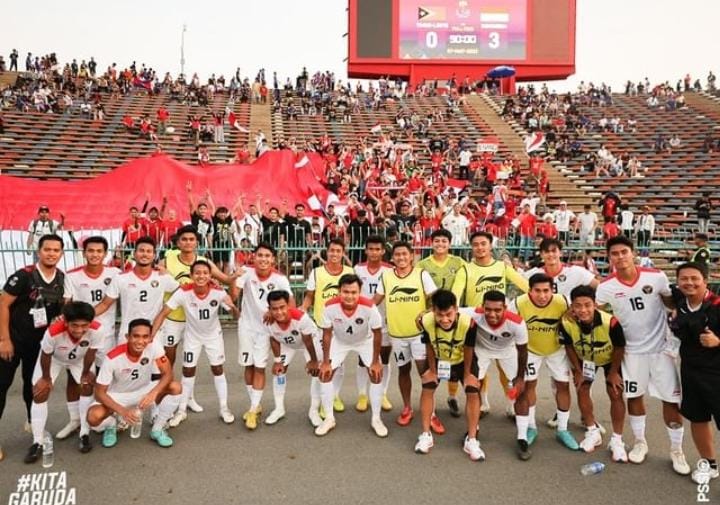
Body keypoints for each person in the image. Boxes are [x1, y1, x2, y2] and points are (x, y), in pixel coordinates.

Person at [596, 235, 690, 475]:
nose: (620, 257)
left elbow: (671, 303)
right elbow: (597, 314)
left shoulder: (655, 277)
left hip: (661, 350)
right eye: (615, 253)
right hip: (631, 352)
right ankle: (640, 442)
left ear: (633, 253)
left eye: (624, 252)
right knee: (635, 397)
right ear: (610, 258)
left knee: (671, 400)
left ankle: (676, 449)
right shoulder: (606, 288)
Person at [0, 234, 65, 462]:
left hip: (38, 344)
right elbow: (3, 304)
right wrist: (4, 340)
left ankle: (31, 422)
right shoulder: (23, 276)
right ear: (39, 251)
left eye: (56, 250)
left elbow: (58, 311)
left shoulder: (61, 279)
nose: (51, 253)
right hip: (13, 341)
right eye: (47, 249)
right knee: (1, 386)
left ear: (61, 253)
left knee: (31, 385)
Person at [152, 261, 239, 427]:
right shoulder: (183, 292)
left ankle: (224, 407)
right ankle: (181, 410)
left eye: (205, 273)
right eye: (197, 273)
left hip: (213, 336)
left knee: (218, 368)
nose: (201, 276)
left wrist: (232, 306)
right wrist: (151, 335)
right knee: (188, 370)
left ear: (210, 275)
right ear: (191, 275)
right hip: (193, 336)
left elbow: (237, 316)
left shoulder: (218, 292)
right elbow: (164, 313)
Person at [451, 231, 528, 416]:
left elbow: (526, 287)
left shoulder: (502, 267)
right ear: (472, 247)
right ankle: (483, 403)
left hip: (501, 324)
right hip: (477, 324)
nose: (480, 248)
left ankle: (511, 403)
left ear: (490, 246)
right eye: (476, 244)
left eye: (483, 244)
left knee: (505, 367)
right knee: (479, 369)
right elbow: (455, 293)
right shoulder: (466, 270)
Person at [509, 273, 579, 454]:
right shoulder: (518, 303)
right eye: (537, 291)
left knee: (563, 386)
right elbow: (508, 326)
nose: (542, 296)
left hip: (557, 350)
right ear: (530, 291)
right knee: (529, 386)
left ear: (552, 290)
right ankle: (531, 427)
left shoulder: (563, 301)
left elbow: (575, 319)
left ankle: (562, 429)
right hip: (530, 351)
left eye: (546, 291)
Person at [87, 319, 182, 448]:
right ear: (127, 337)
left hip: (144, 391)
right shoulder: (112, 358)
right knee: (93, 417)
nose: (140, 341)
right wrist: (123, 411)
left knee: (175, 387)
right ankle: (111, 425)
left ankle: (157, 429)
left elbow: (168, 373)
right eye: (136, 336)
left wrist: (154, 393)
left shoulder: (154, 347)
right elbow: (99, 393)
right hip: (118, 395)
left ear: (150, 338)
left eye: (145, 337)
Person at [24, 302, 101, 462]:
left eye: (84, 325)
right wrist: (46, 378)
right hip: (54, 360)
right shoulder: (53, 332)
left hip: (79, 360)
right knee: (40, 392)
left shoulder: (97, 329)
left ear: (90, 322)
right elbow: (46, 354)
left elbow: (91, 353)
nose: (79, 330)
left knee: (86, 387)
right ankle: (37, 441)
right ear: (65, 322)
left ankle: (84, 433)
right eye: (74, 325)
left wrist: (86, 374)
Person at [60, 236, 120, 439]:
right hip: (78, 335)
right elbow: (67, 304)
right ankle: (75, 420)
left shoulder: (115, 273)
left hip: (106, 336)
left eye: (99, 251)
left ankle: (108, 419)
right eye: (91, 250)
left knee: (106, 378)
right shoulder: (72, 276)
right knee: (74, 378)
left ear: (105, 253)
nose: (95, 254)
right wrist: (77, 324)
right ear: (84, 253)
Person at [560, 286, 628, 460]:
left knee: (615, 392)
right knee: (582, 388)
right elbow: (568, 346)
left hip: (609, 359)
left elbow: (620, 347)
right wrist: (577, 370)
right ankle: (592, 431)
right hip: (587, 360)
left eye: (587, 305)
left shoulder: (610, 322)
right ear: (572, 307)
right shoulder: (567, 322)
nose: (583, 310)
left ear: (595, 305)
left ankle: (617, 440)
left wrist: (613, 372)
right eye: (578, 306)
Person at [374, 242, 437, 428]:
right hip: (397, 335)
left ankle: (431, 413)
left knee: (424, 373)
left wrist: (427, 312)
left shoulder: (421, 275)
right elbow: (374, 301)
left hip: (419, 335)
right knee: (403, 370)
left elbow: (436, 300)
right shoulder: (386, 277)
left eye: (404, 254)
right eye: (397, 255)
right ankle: (407, 407)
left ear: (411, 256)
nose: (401, 258)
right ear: (392, 258)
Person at [462, 290, 529, 460]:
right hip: (482, 350)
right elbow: (449, 310)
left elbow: (522, 352)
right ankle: (473, 429)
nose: (492, 314)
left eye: (497, 310)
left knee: (522, 390)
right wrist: (425, 313)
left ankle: (522, 437)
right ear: (482, 307)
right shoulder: (474, 314)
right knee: (472, 387)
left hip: (508, 351)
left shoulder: (517, 323)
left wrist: (520, 378)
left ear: (505, 308)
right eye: (488, 309)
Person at [316, 274, 386, 437]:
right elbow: (326, 334)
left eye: (353, 292)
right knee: (325, 374)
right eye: (345, 292)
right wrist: (325, 362)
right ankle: (329, 418)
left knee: (376, 374)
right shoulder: (329, 306)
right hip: (340, 341)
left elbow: (377, 334)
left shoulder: (369, 307)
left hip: (365, 341)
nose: (349, 296)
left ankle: (376, 419)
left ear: (359, 291)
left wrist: (375, 361)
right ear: (339, 291)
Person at [414, 290, 478, 457]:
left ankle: (472, 440)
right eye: (439, 314)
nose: (444, 319)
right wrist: (432, 371)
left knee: (472, 390)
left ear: (456, 309)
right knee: (427, 386)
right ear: (432, 310)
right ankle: (426, 435)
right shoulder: (425, 321)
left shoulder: (468, 323)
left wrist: (467, 375)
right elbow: (428, 345)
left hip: (463, 360)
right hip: (439, 358)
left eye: (449, 314)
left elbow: (469, 349)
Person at [236, 243, 293, 430]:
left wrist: (273, 311)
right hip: (246, 326)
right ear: (254, 256)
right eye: (260, 255)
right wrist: (233, 279)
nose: (263, 259)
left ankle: (252, 409)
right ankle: (256, 404)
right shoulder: (246, 272)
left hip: (266, 329)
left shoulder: (280, 279)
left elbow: (290, 304)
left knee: (260, 367)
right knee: (248, 365)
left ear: (273, 259)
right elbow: (234, 292)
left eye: (267, 256)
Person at [672, 262, 720, 483]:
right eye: (684, 279)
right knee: (698, 419)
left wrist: (718, 341)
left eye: (694, 278)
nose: (689, 282)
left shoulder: (718, 305)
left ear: (705, 281)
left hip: (717, 373)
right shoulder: (681, 305)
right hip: (691, 372)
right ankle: (709, 465)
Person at [301, 239, 354, 414]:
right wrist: (303, 309)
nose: (335, 254)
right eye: (332, 251)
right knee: (324, 364)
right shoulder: (317, 272)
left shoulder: (349, 271)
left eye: (338, 251)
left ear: (343, 253)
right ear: (327, 252)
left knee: (338, 364)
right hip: (321, 326)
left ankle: (334, 395)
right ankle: (323, 401)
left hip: (342, 325)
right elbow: (310, 296)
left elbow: (354, 296)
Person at [418, 229, 466, 417]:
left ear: (449, 243)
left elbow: (463, 285)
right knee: (436, 355)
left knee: (455, 352)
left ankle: (452, 396)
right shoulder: (422, 265)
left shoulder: (459, 263)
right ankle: (431, 405)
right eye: (436, 240)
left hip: (453, 315)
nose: (440, 244)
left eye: (444, 241)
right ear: (431, 243)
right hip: (433, 315)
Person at [94, 238, 179, 342]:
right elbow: (105, 304)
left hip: (154, 333)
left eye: (149, 251)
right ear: (134, 254)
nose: (145, 254)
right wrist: (84, 317)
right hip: (127, 333)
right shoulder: (121, 278)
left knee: (155, 358)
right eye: (141, 250)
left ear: (154, 256)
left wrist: (169, 274)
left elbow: (182, 291)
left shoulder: (163, 277)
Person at [265, 290, 322, 426]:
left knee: (316, 372)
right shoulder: (268, 320)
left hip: (310, 343)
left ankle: (314, 410)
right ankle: (279, 408)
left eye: (282, 307)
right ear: (269, 309)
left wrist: (313, 361)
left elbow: (308, 341)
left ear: (288, 306)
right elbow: (273, 339)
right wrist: (277, 361)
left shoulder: (301, 318)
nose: (279, 312)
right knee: (279, 371)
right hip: (288, 343)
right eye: (274, 309)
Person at [353, 236, 393, 413]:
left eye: (378, 249)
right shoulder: (358, 269)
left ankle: (382, 393)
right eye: (371, 249)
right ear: (365, 250)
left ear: (383, 251)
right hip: (363, 320)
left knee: (383, 358)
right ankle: (362, 394)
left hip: (384, 320)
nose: (374, 252)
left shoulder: (390, 270)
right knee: (363, 360)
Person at [524, 238, 598, 298]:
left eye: (554, 251)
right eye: (547, 252)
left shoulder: (576, 271)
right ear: (541, 255)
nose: (550, 254)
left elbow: (599, 287)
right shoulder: (532, 274)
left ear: (560, 253)